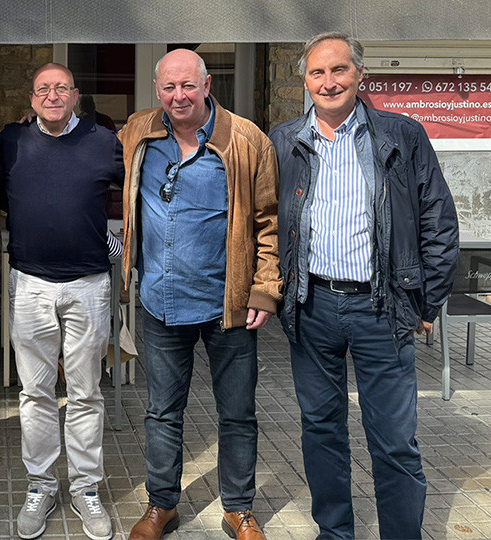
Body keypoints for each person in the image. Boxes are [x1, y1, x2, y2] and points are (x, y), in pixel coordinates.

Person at [269, 32, 459, 540]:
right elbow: (266, 223)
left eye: (339, 70)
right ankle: (335, 532)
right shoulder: (284, 141)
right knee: (322, 431)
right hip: (312, 307)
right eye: (317, 73)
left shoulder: (401, 134)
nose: (328, 82)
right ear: (304, 81)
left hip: (383, 307)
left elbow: (439, 220)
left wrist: (428, 301)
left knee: (394, 441)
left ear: (360, 74)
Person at [118, 49, 280, 540]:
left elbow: (269, 222)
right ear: (157, 89)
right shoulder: (139, 132)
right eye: (169, 87)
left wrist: (264, 290)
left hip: (227, 305)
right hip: (162, 303)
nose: (178, 96)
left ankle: (239, 509)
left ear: (207, 85)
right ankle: (161, 505)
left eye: (188, 86)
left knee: (237, 413)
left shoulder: (246, 139)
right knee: (162, 412)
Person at [0, 63, 124, 540]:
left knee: (87, 392)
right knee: (35, 394)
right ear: (32, 99)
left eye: (62, 88)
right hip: (29, 285)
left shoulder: (102, 141)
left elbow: (133, 191)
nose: (52, 95)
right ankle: (42, 484)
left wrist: (118, 246)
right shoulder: (12, 140)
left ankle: (86, 488)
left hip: (88, 286)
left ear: (75, 95)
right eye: (43, 89)